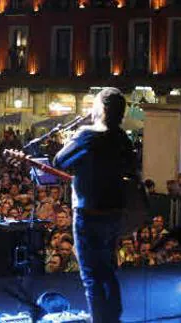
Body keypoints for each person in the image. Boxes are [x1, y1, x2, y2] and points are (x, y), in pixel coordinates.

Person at [53, 87, 135, 323]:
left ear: (103, 108)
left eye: (95, 104)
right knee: (108, 270)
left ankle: (100, 320)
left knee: (91, 275)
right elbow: (129, 169)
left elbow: (59, 161)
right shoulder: (122, 138)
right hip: (114, 213)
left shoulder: (88, 134)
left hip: (90, 214)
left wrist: (71, 139)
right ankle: (113, 318)